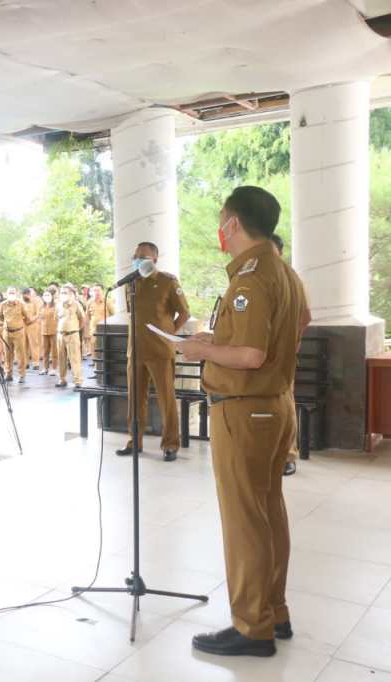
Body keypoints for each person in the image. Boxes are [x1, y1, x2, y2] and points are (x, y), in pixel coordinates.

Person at [177, 186, 303, 657]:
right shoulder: (284, 271)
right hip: (274, 404)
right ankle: (275, 610)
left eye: (222, 222)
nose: (221, 231)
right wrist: (220, 340)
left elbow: (250, 355)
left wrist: (201, 350)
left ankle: (252, 627)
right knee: (268, 511)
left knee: (245, 520)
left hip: (245, 410)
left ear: (232, 224)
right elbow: (289, 328)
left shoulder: (250, 278)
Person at [114, 242, 190, 463]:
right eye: (136, 255)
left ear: (155, 260)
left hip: (160, 351)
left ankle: (170, 444)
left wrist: (169, 335)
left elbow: (184, 313)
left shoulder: (167, 282)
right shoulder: (132, 283)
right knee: (135, 400)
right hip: (136, 351)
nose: (138, 259)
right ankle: (134, 441)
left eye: (143, 256)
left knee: (167, 400)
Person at [271, 233, 311, 476]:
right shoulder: (252, 276)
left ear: (281, 252)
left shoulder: (291, 277)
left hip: (281, 356)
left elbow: (305, 317)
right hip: (254, 355)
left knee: (285, 403)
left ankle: (288, 455)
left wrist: (292, 342)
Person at [0, 287, 31, 383]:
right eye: (10, 293)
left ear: (16, 294)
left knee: (20, 355)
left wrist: (19, 324)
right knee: (7, 354)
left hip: (18, 332)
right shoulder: (3, 304)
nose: (11, 295)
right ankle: (8, 374)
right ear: (6, 294)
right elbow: (0, 317)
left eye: (13, 293)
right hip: (7, 332)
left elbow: (27, 317)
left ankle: (22, 375)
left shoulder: (21, 304)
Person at [55, 285, 85, 388]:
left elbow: (82, 319)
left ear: (71, 294)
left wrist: (76, 329)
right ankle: (62, 379)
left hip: (72, 334)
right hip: (60, 335)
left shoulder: (76, 304)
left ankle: (78, 381)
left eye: (65, 292)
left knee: (74, 358)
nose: (63, 294)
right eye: (62, 292)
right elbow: (56, 319)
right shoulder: (58, 305)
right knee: (61, 358)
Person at [84, 284, 115, 359]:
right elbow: (87, 317)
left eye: (98, 290)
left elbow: (114, 315)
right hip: (94, 330)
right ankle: (95, 364)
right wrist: (86, 332)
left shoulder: (107, 301)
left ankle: (105, 364)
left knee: (105, 349)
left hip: (105, 330)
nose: (96, 292)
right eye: (94, 290)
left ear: (102, 291)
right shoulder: (89, 302)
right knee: (94, 349)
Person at [39, 288, 59, 375]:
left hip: (54, 331)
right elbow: (40, 317)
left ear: (52, 296)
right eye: (45, 295)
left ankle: (54, 368)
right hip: (44, 331)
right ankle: (45, 368)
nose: (46, 297)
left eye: (48, 295)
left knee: (54, 351)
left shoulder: (56, 306)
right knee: (45, 351)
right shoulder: (42, 307)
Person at [22, 288, 41, 370]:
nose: (26, 296)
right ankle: (25, 362)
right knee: (24, 344)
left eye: (27, 294)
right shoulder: (21, 303)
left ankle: (36, 363)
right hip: (23, 325)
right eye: (24, 294)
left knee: (34, 344)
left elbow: (38, 313)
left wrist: (31, 320)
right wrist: (23, 319)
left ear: (30, 294)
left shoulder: (35, 302)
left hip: (33, 325)